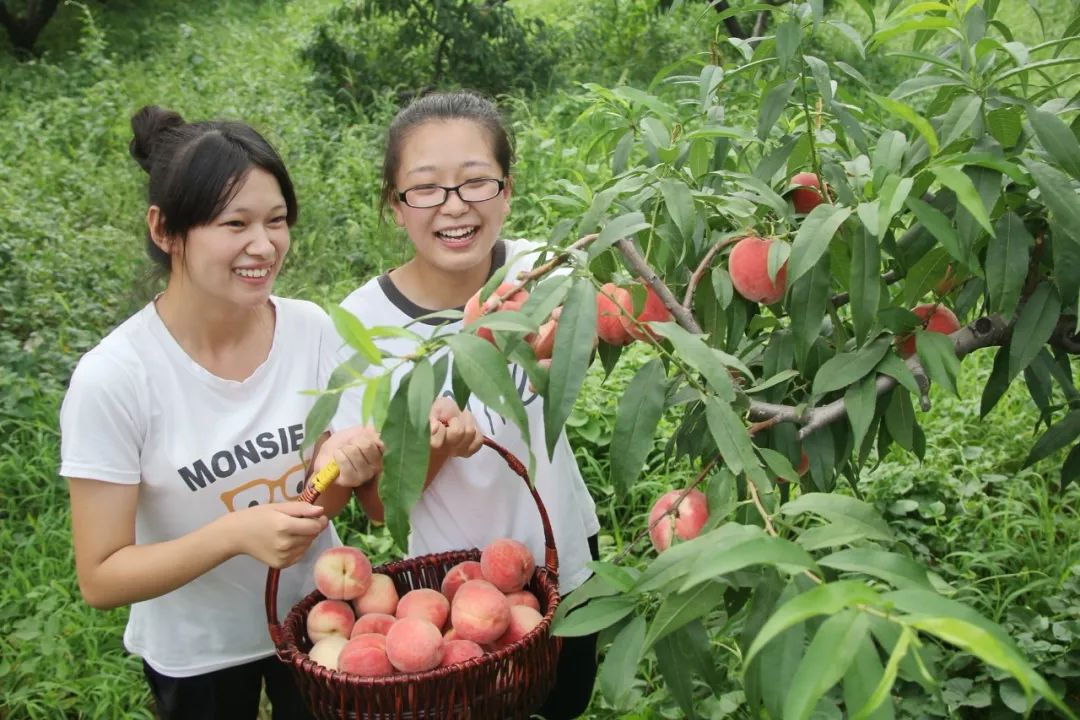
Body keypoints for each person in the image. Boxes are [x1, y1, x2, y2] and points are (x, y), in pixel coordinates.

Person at [58, 105, 480, 720]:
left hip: (315, 623)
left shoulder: (309, 329)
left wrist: (343, 466)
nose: (264, 245)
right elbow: (102, 577)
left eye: (277, 220)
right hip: (196, 652)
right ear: (164, 229)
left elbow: (315, 502)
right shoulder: (116, 378)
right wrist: (233, 536)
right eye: (235, 223)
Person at [334, 90, 601, 719]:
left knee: (566, 704)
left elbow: (572, 371)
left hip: (567, 569)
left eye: (477, 182)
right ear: (394, 206)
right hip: (450, 607)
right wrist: (435, 448)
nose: (454, 206)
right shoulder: (363, 324)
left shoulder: (545, 272)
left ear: (508, 190)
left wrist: (578, 336)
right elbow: (377, 506)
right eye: (425, 188)